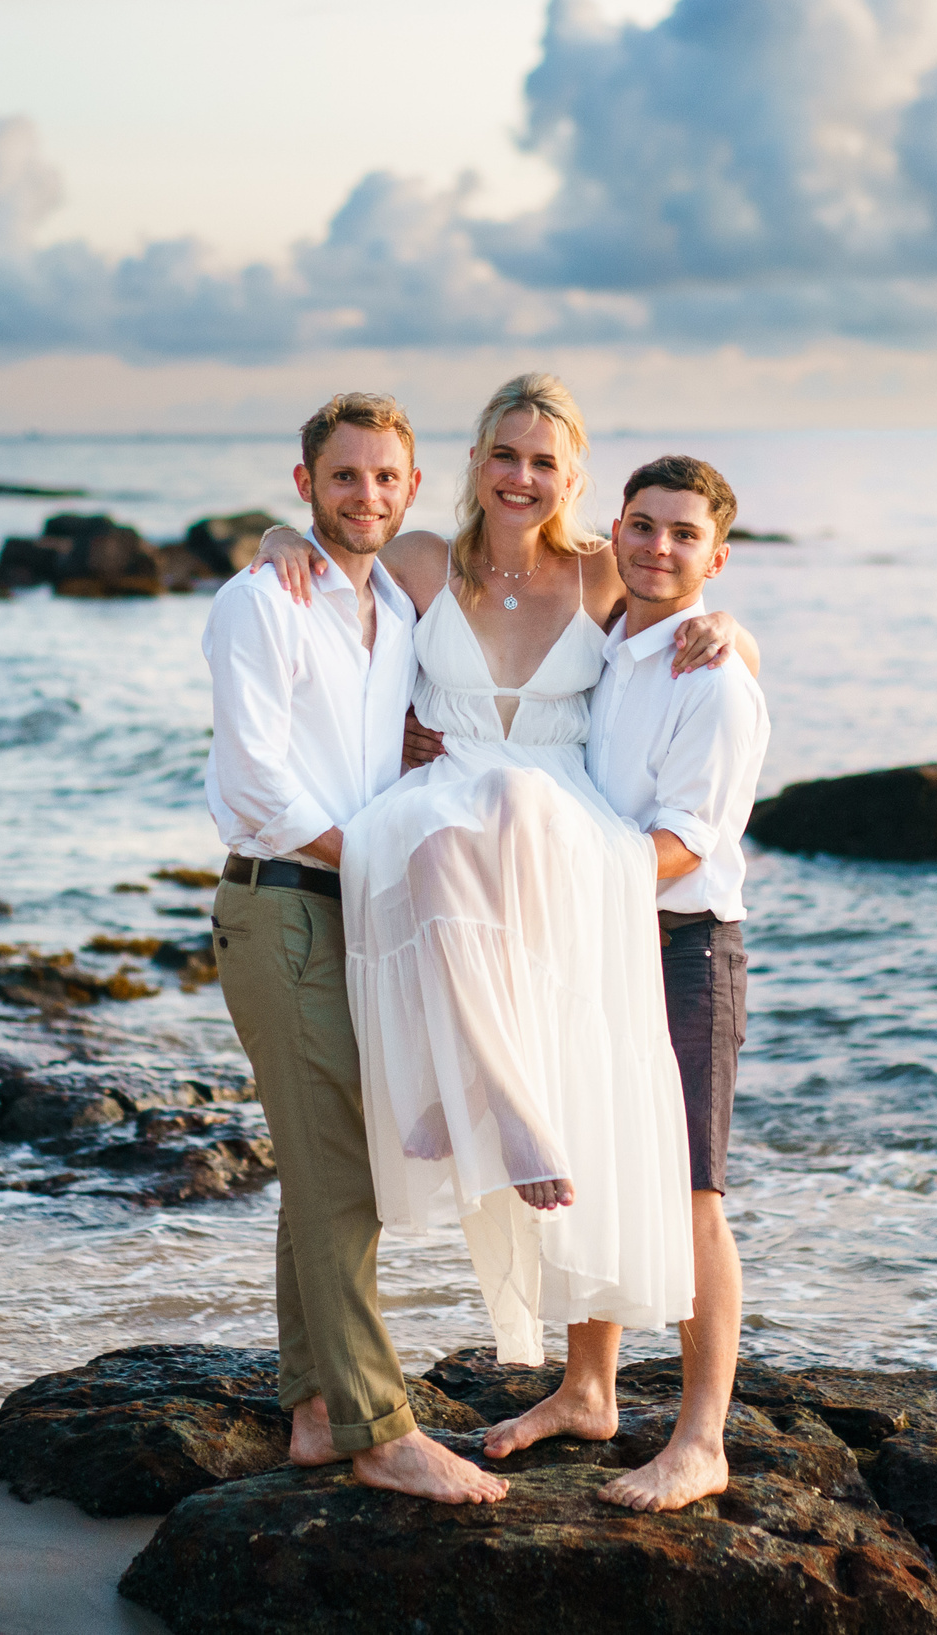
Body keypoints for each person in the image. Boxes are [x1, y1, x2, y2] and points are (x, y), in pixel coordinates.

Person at [250, 374, 757, 1374]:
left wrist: (738, 630)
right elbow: (327, 559)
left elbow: (681, 608)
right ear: (475, 463)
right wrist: (276, 544)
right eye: (504, 455)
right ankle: (482, 1098)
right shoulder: (425, 562)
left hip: (555, 815)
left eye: (543, 462)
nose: (520, 477)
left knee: (510, 812)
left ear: (572, 479)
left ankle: (485, 1107)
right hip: (447, 791)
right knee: (435, 843)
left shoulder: (600, 569)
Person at [203, 391, 506, 1505]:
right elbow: (255, 784)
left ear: (413, 490)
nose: (365, 495)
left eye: (385, 478)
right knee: (345, 1173)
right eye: (343, 478)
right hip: (281, 903)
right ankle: (382, 1431)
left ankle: (316, 1410)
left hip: (355, 912)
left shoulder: (399, 608)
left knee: (330, 1162)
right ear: (304, 486)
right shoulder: (261, 602)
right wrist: (372, 862)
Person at [477, 454, 771, 1514]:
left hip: (684, 946)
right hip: (597, 937)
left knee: (692, 1194)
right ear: (616, 532)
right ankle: (588, 1391)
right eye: (642, 528)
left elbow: (686, 842)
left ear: (715, 554)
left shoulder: (715, 679)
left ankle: (701, 1440)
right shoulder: (612, 632)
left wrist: (551, 878)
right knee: (591, 1164)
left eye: (683, 535)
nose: (658, 548)